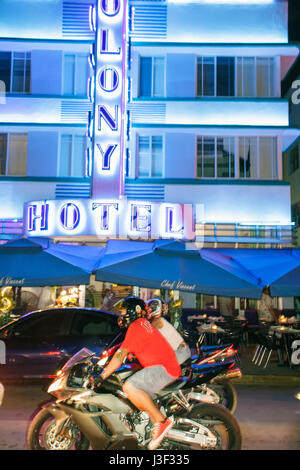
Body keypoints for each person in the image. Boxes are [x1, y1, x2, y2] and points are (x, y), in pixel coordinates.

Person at [92, 296, 181, 450]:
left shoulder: (137, 326)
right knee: (132, 389)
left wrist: (103, 375)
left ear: (135, 311)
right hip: (163, 366)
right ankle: (152, 424)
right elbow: (133, 348)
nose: (122, 314)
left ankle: (161, 422)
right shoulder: (141, 325)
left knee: (130, 387)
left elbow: (121, 354)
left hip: (164, 369)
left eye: (125, 310)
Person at [145, 298, 191, 365]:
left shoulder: (158, 321)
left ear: (156, 309)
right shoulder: (158, 321)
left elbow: (147, 334)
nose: (147, 311)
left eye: (149, 308)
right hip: (179, 352)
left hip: (180, 353)